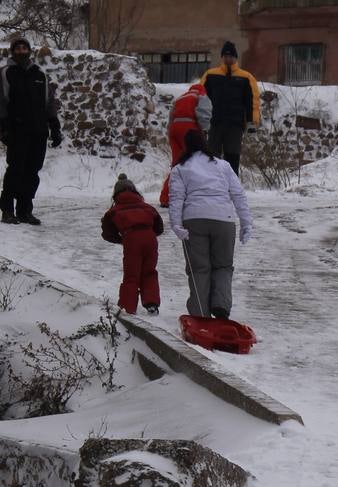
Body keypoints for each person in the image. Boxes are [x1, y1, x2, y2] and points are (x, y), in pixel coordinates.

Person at [167, 129, 253, 319]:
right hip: (224, 220)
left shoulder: (180, 168)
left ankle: (200, 313)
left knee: (199, 268)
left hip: (194, 221)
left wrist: (176, 224)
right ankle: (221, 305)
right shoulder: (222, 166)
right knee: (223, 266)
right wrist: (246, 222)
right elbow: (238, 195)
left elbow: (176, 199)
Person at [0, 36, 62, 225]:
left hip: (38, 131)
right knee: (15, 170)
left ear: (29, 51)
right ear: (13, 51)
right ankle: (7, 210)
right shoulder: (6, 73)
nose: (21, 51)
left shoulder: (39, 74)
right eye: (18, 48)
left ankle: (25, 210)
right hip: (16, 130)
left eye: (24, 48)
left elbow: (49, 102)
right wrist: (4, 127)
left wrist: (54, 127)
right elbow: (0, 102)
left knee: (32, 172)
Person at [101, 174, 164, 316]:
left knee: (131, 275)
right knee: (149, 271)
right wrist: (148, 234)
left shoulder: (114, 211)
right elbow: (159, 228)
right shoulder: (148, 207)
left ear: (116, 193)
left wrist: (122, 240)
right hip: (150, 239)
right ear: (134, 191)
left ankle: (127, 308)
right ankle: (152, 303)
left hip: (131, 239)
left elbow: (107, 234)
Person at [199, 41, 261, 175]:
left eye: (231, 56)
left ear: (235, 58)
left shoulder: (246, 78)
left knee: (232, 158)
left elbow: (252, 101)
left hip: (235, 125)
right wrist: (199, 121)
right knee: (212, 158)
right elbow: (200, 98)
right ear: (222, 57)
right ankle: (212, 187)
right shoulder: (210, 75)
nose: (228, 59)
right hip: (214, 124)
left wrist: (252, 121)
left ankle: (231, 189)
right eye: (226, 56)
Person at [159, 83, 212, 207]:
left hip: (174, 131)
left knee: (176, 165)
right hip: (189, 130)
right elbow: (203, 114)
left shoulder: (180, 98)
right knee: (193, 163)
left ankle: (166, 198)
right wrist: (204, 131)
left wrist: (171, 132)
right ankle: (194, 196)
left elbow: (171, 118)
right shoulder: (201, 95)